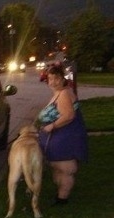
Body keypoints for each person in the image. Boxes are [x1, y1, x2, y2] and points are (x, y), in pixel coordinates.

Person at [37, 63, 88, 204]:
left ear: (62, 79)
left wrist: (52, 126)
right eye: (50, 79)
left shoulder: (64, 93)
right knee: (59, 169)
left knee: (66, 169)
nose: (53, 82)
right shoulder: (59, 93)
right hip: (60, 136)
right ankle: (60, 194)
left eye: (56, 78)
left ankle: (62, 199)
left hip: (66, 137)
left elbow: (68, 116)